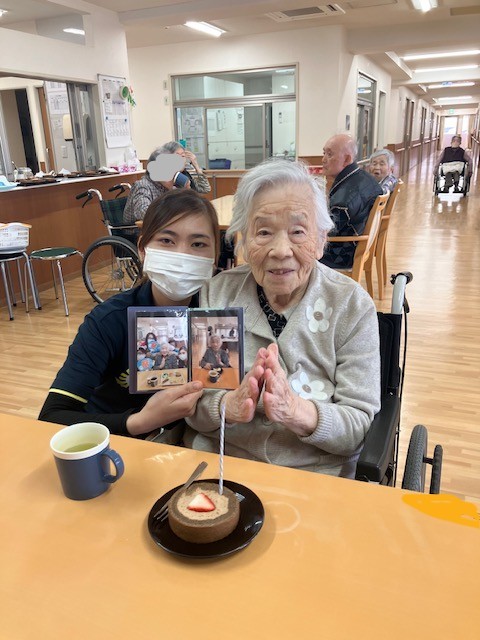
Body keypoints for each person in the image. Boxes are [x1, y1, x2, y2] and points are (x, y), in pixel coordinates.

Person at [185, 159, 381, 478]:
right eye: (263, 232)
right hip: (221, 465)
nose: (280, 250)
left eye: (297, 232)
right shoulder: (218, 294)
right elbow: (196, 403)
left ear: (321, 240)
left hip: (312, 474)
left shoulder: (351, 305)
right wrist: (227, 407)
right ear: (242, 241)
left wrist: (295, 411)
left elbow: (358, 426)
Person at [39, 189, 219, 438]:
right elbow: (51, 417)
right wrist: (139, 422)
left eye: (198, 244)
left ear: (215, 257)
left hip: (187, 443)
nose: (181, 255)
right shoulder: (108, 321)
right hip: (116, 442)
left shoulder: (218, 316)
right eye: (167, 240)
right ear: (143, 249)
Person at [320, 134, 383, 270]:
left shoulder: (343, 203)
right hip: (357, 247)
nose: (323, 159)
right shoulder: (364, 177)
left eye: (329, 154)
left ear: (347, 159)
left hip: (342, 255)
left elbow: (327, 231)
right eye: (324, 153)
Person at [123, 141, 211, 225]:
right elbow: (143, 213)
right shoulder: (143, 185)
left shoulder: (168, 186)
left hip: (161, 227)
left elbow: (189, 208)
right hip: (137, 231)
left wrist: (187, 193)